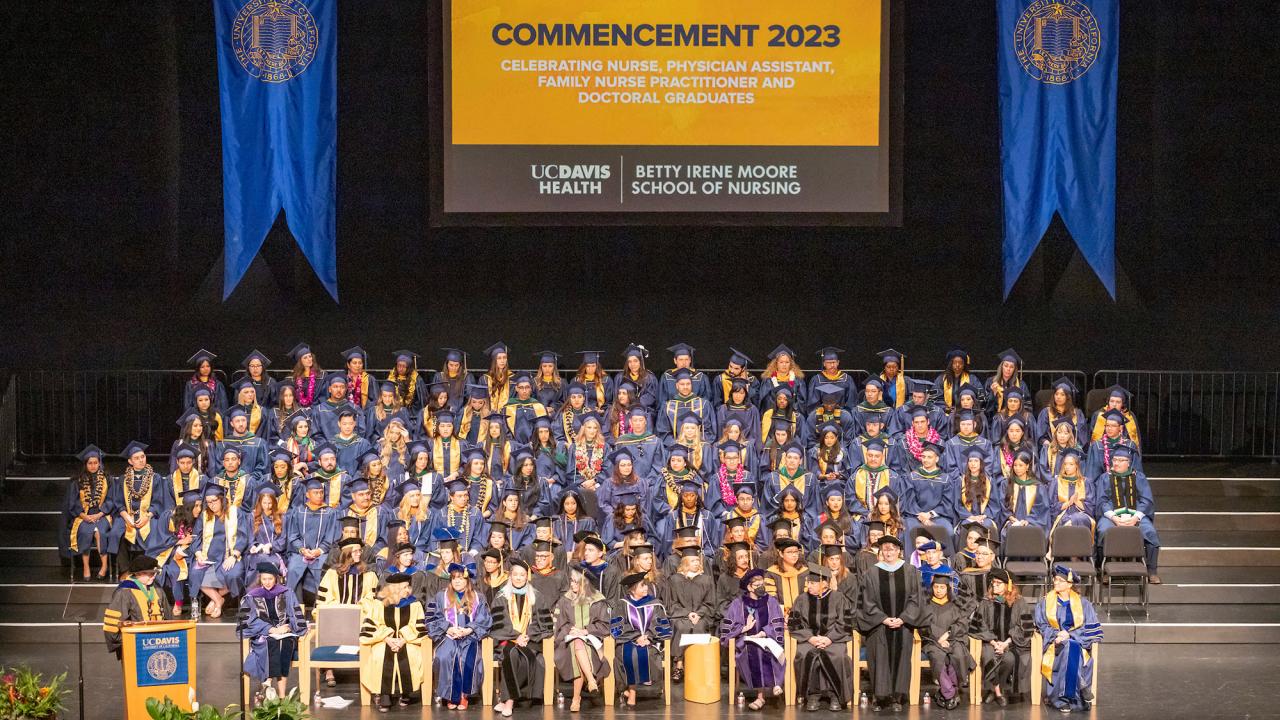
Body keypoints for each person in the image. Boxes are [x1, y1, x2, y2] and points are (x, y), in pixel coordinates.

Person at [857, 534, 921, 712]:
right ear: (880, 551)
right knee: (879, 656)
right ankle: (879, 697)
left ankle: (897, 697)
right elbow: (866, 602)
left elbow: (916, 600)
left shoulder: (911, 571)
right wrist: (883, 619)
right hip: (878, 626)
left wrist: (903, 618)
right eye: (885, 549)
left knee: (901, 659)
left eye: (892, 549)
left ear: (899, 551)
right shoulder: (871, 573)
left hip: (903, 625)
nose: (889, 552)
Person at [489, 559, 554, 717]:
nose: (518, 578)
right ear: (510, 576)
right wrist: (516, 636)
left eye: (522, 575)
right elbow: (498, 624)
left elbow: (545, 624)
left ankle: (507, 701)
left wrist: (528, 635)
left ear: (527, 577)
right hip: (507, 640)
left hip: (530, 641)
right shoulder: (501, 596)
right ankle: (510, 700)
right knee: (511, 654)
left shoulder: (536, 597)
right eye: (515, 574)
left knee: (527, 657)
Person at [1035, 566, 1103, 713]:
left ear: (1070, 584)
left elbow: (1089, 628)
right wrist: (1057, 635)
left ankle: (1063, 700)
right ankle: (1082, 686)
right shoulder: (1046, 603)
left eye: (1060, 580)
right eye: (1055, 579)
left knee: (1071, 646)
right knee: (1069, 647)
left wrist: (1069, 635)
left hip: (1077, 643)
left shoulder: (1083, 603)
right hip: (1054, 644)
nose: (1056, 582)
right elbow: (1041, 625)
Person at [788, 563, 855, 712]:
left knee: (838, 656)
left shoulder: (839, 598)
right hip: (809, 640)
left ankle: (835, 695)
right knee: (804, 654)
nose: (809, 586)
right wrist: (811, 638)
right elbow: (795, 624)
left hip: (834, 640)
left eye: (812, 583)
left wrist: (829, 638)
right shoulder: (801, 599)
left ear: (824, 583)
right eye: (808, 583)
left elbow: (844, 622)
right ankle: (812, 695)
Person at [427, 563, 492, 709]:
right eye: (454, 578)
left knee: (468, 657)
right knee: (445, 656)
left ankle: (464, 694)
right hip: (447, 637)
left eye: (461, 578)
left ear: (467, 580)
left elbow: (485, 619)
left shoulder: (478, 597)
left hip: (471, 637)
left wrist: (469, 629)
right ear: (450, 580)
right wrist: (448, 628)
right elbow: (432, 618)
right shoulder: (440, 596)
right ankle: (451, 695)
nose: (457, 581)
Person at [240, 563, 308, 701]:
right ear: (260, 579)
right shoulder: (252, 596)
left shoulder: (286, 592)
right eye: (264, 579)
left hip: (285, 633)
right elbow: (247, 622)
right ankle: (269, 687)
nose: (267, 582)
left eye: (270, 579)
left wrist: (289, 627)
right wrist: (270, 629)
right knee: (271, 643)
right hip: (263, 634)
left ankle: (279, 693)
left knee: (284, 643)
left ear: (276, 579)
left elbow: (295, 614)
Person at [361, 572, 428, 712]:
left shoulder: (414, 604)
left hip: (407, 640)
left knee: (411, 654)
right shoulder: (380, 603)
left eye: (408, 587)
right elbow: (372, 624)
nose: (408, 590)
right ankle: (385, 694)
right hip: (384, 640)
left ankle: (406, 692)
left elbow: (418, 626)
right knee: (380, 655)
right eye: (404, 587)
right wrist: (387, 638)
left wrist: (403, 639)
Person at [719, 568, 785, 709]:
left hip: (768, 639)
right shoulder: (738, 604)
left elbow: (777, 623)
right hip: (745, 641)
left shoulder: (771, 602)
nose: (761, 587)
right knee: (755, 649)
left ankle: (776, 684)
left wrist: (764, 633)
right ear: (749, 587)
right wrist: (745, 628)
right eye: (757, 585)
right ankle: (761, 696)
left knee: (768, 648)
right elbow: (727, 628)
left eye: (762, 584)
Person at [1094, 446, 1162, 583]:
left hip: (1135, 515)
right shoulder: (1105, 478)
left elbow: (1146, 500)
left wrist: (1136, 517)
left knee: (1150, 532)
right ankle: (1104, 570)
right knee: (1103, 530)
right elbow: (1102, 501)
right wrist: (1114, 517)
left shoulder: (1139, 477)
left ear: (1129, 462)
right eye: (1115, 459)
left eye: (1121, 460)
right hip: (1112, 516)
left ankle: (1151, 571)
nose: (1116, 463)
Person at [610, 571, 673, 707]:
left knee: (647, 654)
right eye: (642, 586)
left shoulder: (655, 604)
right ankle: (632, 692)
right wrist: (636, 636)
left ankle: (630, 692)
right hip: (627, 640)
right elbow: (618, 626)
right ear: (633, 590)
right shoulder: (622, 605)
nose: (646, 588)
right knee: (628, 656)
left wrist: (649, 637)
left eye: (646, 585)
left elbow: (660, 624)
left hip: (650, 642)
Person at [554, 568, 613, 712]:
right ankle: (591, 680)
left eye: (576, 582)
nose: (572, 585)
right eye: (571, 581)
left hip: (593, 642)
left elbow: (605, 624)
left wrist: (586, 630)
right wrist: (572, 630)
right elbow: (559, 625)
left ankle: (576, 698)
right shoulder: (564, 600)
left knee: (580, 645)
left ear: (585, 584)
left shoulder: (597, 600)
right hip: (567, 643)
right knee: (576, 642)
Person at [973, 567, 1033, 705]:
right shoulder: (986, 601)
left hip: (1011, 643)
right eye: (993, 583)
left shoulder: (1020, 602)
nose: (994, 586)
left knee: (1009, 659)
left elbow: (1025, 627)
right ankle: (998, 692)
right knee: (988, 656)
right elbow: (978, 625)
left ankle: (994, 690)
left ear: (1008, 585)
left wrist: (1005, 643)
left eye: (998, 583)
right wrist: (994, 642)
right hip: (989, 642)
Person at [189, 484, 247, 617]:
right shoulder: (205, 515)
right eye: (208, 502)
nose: (211, 505)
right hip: (209, 556)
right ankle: (218, 600)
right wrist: (198, 553)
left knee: (234, 575)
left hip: (230, 555)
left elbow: (243, 535)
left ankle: (215, 599)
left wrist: (234, 555)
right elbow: (196, 536)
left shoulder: (235, 512)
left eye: (214, 501)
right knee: (195, 572)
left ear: (222, 499)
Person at [917, 572, 972, 709]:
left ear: (947, 588)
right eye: (936, 587)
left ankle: (945, 693)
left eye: (942, 587)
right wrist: (939, 638)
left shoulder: (955, 605)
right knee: (939, 657)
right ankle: (951, 693)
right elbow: (924, 625)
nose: (939, 590)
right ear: (932, 588)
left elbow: (962, 623)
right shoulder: (926, 606)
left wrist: (947, 634)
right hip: (932, 642)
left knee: (957, 655)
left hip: (953, 639)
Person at [64, 445, 118, 580]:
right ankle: (86, 566)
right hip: (83, 516)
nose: (93, 466)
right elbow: (74, 503)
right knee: (84, 532)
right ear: (85, 464)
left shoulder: (107, 479)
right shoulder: (78, 481)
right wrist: (84, 516)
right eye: (90, 463)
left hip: (102, 515)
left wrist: (100, 514)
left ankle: (104, 566)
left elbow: (111, 500)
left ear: (100, 463)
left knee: (101, 532)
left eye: (96, 463)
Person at [103, 555, 172, 659]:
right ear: (138, 574)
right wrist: (127, 642)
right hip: (135, 647)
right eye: (151, 574)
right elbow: (111, 626)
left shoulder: (157, 588)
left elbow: (167, 616)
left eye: (155, 574)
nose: (154, 576)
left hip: (159, 645)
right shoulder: (124, 592)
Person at [664, 546, 715, 682]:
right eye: (693, 561)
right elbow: (672, 604)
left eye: (698, 560)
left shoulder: (706, 579)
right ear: (685, 562)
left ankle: (697, 665)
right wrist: (688, 613)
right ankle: (679, 665)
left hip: (701, 616)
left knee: (699, 627)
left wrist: (698, 614)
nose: (697, 563)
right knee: (682, 627)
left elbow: (709, 603)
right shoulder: (674, 580)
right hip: (680, 616)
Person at [114, 441, 161, 568]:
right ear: (130, 461)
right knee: (117, 532)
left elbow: (158, 501)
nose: (141, 460)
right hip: (127, 515)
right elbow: (118, 502)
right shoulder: (123, 479)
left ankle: (147, 568)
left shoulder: (154, 477)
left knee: (154, 530)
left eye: (143, 456)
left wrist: (147, 516)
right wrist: (126, 517)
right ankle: (125, 570)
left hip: (148, 515)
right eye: (136, 458)